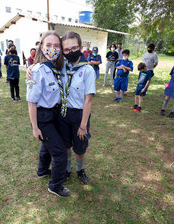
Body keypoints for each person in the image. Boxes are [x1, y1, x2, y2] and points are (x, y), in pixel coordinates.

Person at [26, 31, 71, 197]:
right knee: (59, 152)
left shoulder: (58, 67)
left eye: (56, 46)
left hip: (56, 113)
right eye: (49, 45)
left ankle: (42, 170)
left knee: (47, 145)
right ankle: (55, 186)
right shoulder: (37, 71)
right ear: (41, 47)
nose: (53, 49)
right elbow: (31, 102)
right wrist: (35, 128)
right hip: (44, 117)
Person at [59, 31, 96, 185]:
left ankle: (80, 169)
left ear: (80, 47)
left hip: (79, 115)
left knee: (80, 149)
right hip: (63, 113)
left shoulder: (87, 70)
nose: (70, 52)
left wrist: (83, 125)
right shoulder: (61, 67)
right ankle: (67, 170)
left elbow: (88, 100)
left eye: (74, 48)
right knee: (66, 146)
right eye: (66, 50)